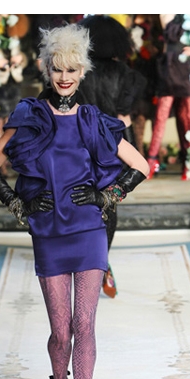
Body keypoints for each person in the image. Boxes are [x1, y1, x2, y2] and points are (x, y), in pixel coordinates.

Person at [0, 23, 149, 379]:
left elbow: (142, 165)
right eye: (57, 68)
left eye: (72, 69)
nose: (64, 77)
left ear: (82, 71)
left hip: (89, 230)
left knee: (84, 326)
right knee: (61, 331)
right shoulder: (30, 115)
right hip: (49, 232)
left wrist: (106, 197)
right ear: (47, 68)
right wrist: (17, 204)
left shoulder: (93, 118)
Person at [78, 16, 146, 298]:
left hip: (78, 147)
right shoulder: (126, 75)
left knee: (78, 205)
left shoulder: (78, 72)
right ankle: (101, 262)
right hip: (112, 150)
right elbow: (123, 118)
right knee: (108, 207)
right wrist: (131, 157)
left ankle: (89, 264)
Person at [146, 14, 190, 180]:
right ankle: (151, 161)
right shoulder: (168, 14)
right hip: (170, 67)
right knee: (160, 117)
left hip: (188, 67)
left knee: (189, 117)